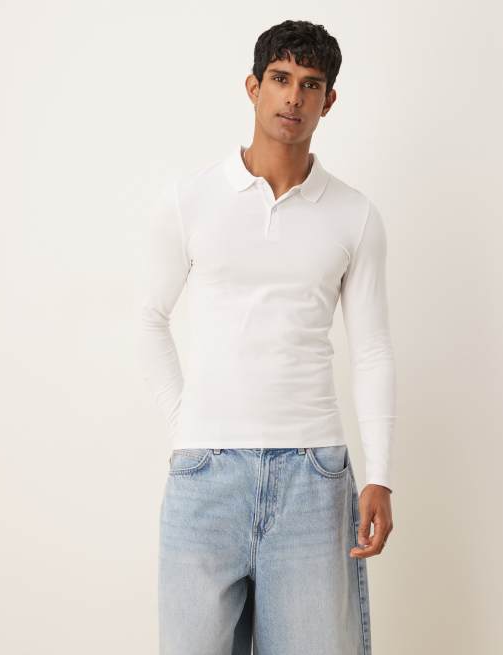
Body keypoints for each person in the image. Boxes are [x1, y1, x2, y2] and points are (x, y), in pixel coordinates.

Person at [138, 18, 396, 655]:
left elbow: (371, 349)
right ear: (253, 88)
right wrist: (186, 428)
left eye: (310, 85)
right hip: (205, 477)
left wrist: (380, 475)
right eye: (280, 79)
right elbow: (149, 317)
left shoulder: (354, 214)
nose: (293, 97)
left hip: (314, 477)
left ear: (328, 101)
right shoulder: (192, 199)